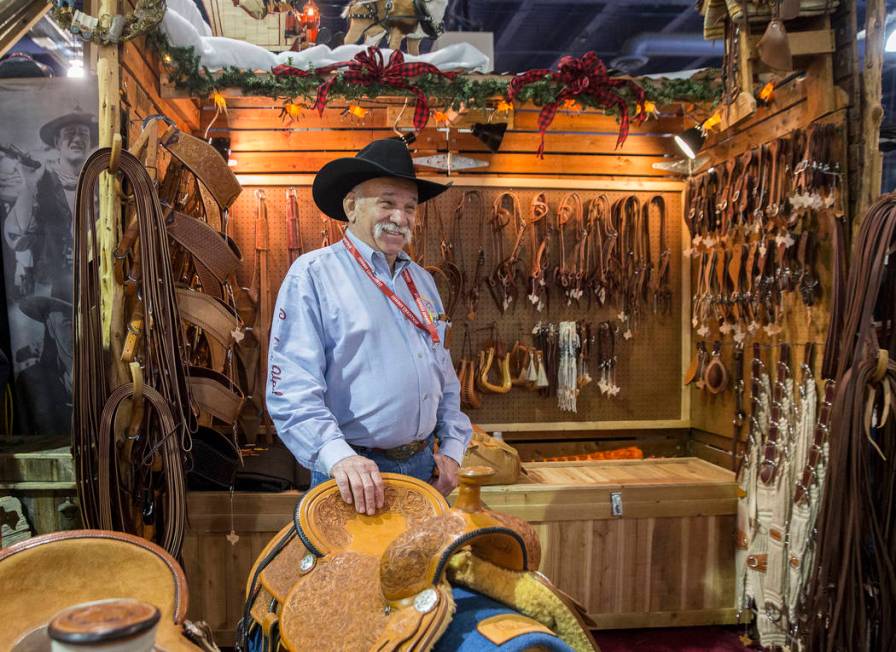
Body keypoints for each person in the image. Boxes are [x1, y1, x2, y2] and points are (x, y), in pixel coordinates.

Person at [267, 138, 472, 515]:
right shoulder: (313, 276)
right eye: (387, 203)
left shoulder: (422, 282)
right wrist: (338, 457)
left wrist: (453, 451)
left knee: (422, 574)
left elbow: (444, 376)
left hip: (425, 472)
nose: (401, 217)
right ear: (351, 207)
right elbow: (292, 390)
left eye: (410, 207)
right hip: (353, 475)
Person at [33, 110, 97, 299]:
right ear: (57, 143)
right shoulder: (41, 181)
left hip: (93, 281)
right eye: (70, 133)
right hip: (52, 281)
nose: (77, 139)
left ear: (90, 143)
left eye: (83, 134)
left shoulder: (101, 184)